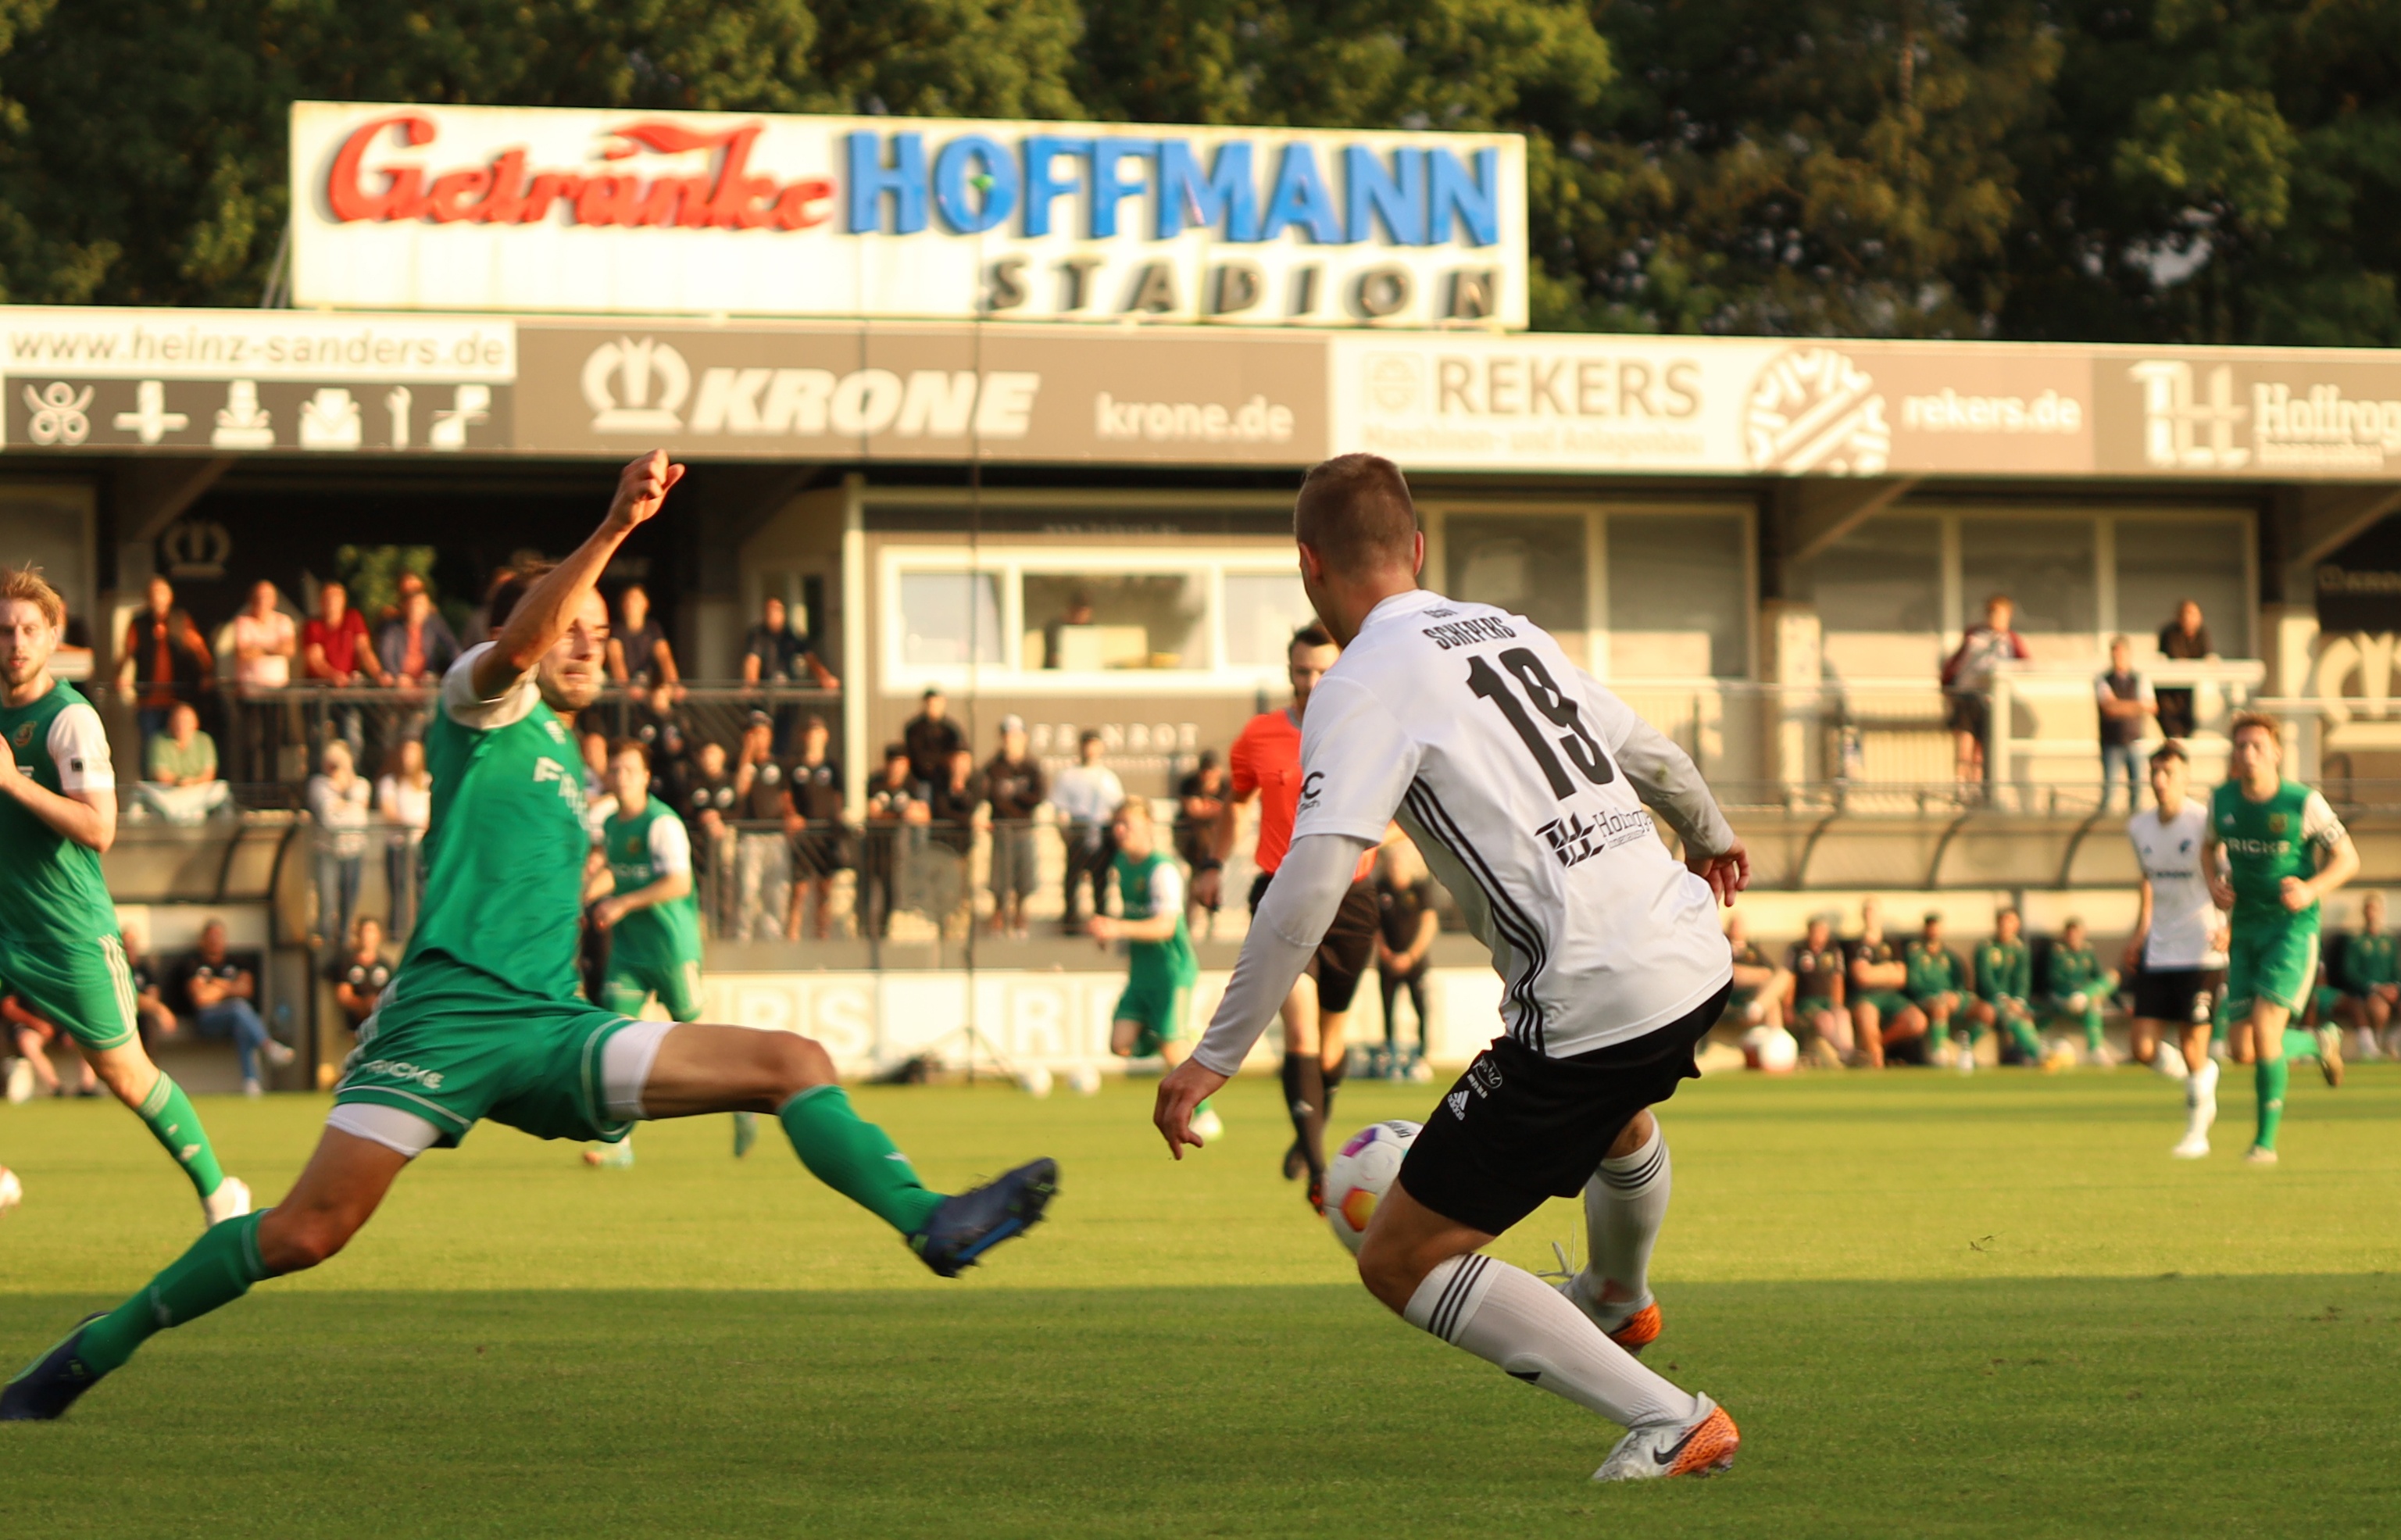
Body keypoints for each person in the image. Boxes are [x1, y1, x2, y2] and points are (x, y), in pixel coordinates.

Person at [1, 452, 1056, 1424]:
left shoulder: (567, 758)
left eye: (600, 629)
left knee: (794, 1061)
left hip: (554, 1029)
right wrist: (614, 526)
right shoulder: (480, 702)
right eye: (575, 625)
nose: (593, 640)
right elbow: (518, 645)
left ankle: (929, 1220)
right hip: (447, 1021)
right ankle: (90, 1351)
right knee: (306, 1232)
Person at [1152, 453, 1748, 1481]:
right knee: (1615, 1111)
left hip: (1594, 992)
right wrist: (1713, 833)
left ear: (1308, 563)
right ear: (1418, 548)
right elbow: (1649, 751)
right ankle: (1617, 1296)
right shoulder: (1510, 632)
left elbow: (1310, 881)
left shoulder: (1360, 682)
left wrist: (1213, 1054)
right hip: (1692, 953)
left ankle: (1669, 1418)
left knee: (1399, 1255)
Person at [0, 565, 249, 1225]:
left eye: (29, 629)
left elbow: (100, 829)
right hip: (3, 919)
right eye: (4, 630)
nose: (16, 642)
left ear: (52, 636)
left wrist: (14, 782)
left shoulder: (70, 719)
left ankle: (220, 1194)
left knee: (125, 1074)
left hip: (65, 929)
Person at [1223, 624, 1385, 1209]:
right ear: (1288, 670)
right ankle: (1320, 1172)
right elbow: (1237, 799)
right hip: (1280, 891)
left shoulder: (1368, 729)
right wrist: (1213, 863)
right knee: (1300, 1028)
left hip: (1351, 897)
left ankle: (1311, 1126)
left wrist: (1361, 840)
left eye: (1322, 670)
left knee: (1332, 1038)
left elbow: (1402, 813)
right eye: (1301, 671)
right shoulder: (1258, 735)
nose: (1311, 682)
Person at [582, 738, 756, 1167]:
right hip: (629, 953)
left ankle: (743, 1099)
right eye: (615, 770)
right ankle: (619, 1146)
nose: (620, 777)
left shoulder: (662, 824)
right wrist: (587, 898)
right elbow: (619, 874)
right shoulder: (612, 824)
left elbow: (678, 883)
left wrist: (623, 904)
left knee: (700, 1045)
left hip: (671, 950)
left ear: (646, 777)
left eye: (628, 769)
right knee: (614, 1042)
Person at [2203, 712, 2361, 1165]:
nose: (2248, 753)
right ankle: (2317, 1041)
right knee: (2242, 1048)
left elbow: (2348, 859)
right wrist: (2214, 883)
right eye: (2241, 746)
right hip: (2246, 929)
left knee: (2266, 1030)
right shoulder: (2222, 801)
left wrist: (2311, 889)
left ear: (2276, 752)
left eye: (2257, 745)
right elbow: (2207, 847)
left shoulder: (2303, 802)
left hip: (2292, 930)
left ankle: (2264, 1145)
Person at [1090, 798, 1220, 1142]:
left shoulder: (1163, 870)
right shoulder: (1121, 863)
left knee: (1170, 1046)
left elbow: (1166, 926)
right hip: (1141, 973)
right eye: (1117, 825)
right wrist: (1110, 934)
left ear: (1148, 827)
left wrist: (1116, 928)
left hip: (1171, 971)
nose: (1120, 832)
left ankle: (1206, 1115)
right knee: (1120, 1044)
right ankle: (1178, 1035)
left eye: (1128, 825)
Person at [2121, 743, 2227, 1149]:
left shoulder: (2204, 824)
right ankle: (2199, 1077)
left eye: (2168, 773)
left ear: (2185, 777)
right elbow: (2148, 882)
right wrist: (2140, 934)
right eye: (2155, 773)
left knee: (2193, 1044)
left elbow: (2228, 879)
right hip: (2160, 949)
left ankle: (2197, 1133)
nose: (2160, 780)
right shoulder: (2139, 827)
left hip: (2202, 949)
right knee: (2143, 1047)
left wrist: (2229, 927)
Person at [170, 919, 295, 1098]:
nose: (215, 940)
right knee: (238, 1008)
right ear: (202, 940)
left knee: (241, 1023)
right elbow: (201, 998)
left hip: (234, 1021)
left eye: (218, 936)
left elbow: (246, 990)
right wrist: (231, 987)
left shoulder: (236, 962)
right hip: (206, 1021)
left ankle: (251, 1083)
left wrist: (216, 985)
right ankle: (269, 1047)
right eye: (211, 936)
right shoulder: (194, 964)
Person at [1940, 594, 2028, 790]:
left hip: (1991, 701)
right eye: (1995, 614)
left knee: (1983, 748)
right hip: (1968, 696)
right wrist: (1947, 687)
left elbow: (2025, 664)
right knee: (1965, 742)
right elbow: (1955, 664)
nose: (1999, 619)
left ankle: (1978, 789)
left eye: (2003, 615)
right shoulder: (1975, 636)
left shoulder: (2011, 640)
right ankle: (1962, 786)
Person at [117, 575, 213, 755]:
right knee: (150, 747)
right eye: (154, 593)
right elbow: (127, 652)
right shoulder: (139, 623)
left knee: (178, 745)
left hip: (177, 696)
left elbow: (199, 650)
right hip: (149, 699)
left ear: (170, 597)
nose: (158, 598)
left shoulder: (180, 620)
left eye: (162, 592)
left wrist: (207, 673)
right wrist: (119, 676)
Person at [1374, 837, 1439, 1080]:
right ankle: (1389, 1056)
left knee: (1420, 1008)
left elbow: (1429, 923)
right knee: (1387, 1010)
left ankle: (1421, 1057)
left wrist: (1411, 956)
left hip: (1415, 963)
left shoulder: (1420, 889)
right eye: (1392, 862)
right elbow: (1374, 925)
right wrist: (1387, 954)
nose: (1395, 867)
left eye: (1399, 863)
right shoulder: (1380, 889)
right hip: (1388, 962)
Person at [782, 715, 849, 944]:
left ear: (825, 736)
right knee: (799, 888)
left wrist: (836, 823)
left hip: (826, 835)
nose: (814, 738)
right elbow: (787, 796)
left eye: (818, 733)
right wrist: (792, 816)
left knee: (824, 888)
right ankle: (792, 934)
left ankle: (822, 934)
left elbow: (838, 798)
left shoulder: (832, 767)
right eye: (810, 733)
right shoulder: (795, 767)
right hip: (804, 835)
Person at [741, 595, 838, 753]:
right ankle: (763, 759)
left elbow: (809, 657)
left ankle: (780, 758)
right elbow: (752, 660)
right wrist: (751, 684)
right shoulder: (758, 635)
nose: (774, 616)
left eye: (777, 611)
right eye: (770, 612)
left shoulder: (790, 635)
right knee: (761, 731)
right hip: (764, 696)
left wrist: (825, 677)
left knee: (784, 735)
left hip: (786, 697)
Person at [1049, 731, 1123, 931]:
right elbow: (1060, 809)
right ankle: (1071, 922)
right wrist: (1064, 832)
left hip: (1101, 832)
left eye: (1094, 745)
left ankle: (1101, 919)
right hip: (1078, 830)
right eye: (1087, 745)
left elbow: (1116, 807)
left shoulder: (1108, 778)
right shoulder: (1068, 776)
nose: (1090, 750)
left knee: (1100, 880)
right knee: (1073, 879)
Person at [981, 716, 1045, 941]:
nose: (1011, 741)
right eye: (1008, 737)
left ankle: (1020, 917)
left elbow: (1037, 796)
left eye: (1016, 737)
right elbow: (994, 798)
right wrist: (1014, 800)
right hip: (1003, 828)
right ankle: (999, 916)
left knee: (1024, 878)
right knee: (1000, 878)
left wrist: (1015, 796)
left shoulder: (1031, 767)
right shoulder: (994, 767)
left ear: (1024, 738)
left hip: (1024, 828)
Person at [729, 713, 791, 942]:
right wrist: (747, 754)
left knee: (775, 892)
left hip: (775, 835)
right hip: (750, 837)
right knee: (748, 890)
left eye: (762, 733)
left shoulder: (778, 765)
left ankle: (773, 939)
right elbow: (740, 790)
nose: (758, 738)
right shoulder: (738, 764)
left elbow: (786, 797)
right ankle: (742, 937)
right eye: (753, 734)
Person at [230, 580, 298, 781]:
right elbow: (243, 652)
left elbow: (289, 650)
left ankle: (271, 787)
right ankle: (251, 788)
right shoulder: (243, 622)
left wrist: (259, 648)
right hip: (251, 693)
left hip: (276, 692)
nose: (262, 601)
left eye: (267, 597)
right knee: (251, 742)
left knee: (273, 743)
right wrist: (274, 647)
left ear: (274, 601)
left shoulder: (283, 621)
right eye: (259, 597)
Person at [307, 739, 372, 949]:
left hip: (354, 850)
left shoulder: (361, 785)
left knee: (349, 899)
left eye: (338, 764)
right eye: (330, 763)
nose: (332, 769)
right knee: (327, 900)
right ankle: (326, 940)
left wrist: (345, 795)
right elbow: (330, 820)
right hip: (328, 851)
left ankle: (344, 940)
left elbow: (360, 820)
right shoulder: (318, 785)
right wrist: (348, 806)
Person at [1845, 898, 1923, 1068]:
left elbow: (1901, 978)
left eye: (1873, 911)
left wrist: (1872, 971)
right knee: (1868, 1023)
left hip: (1891, 996)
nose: (1870, 915)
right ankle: (1875, 1056)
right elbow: (1862, 978)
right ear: (1862, 915)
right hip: (1866, 997)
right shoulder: (1855, 945)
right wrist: (1888, 969)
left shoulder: (1892, 943)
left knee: (1918, 1022)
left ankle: (1876, 1044)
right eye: (1867, 911)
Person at [862, 744, 927, 939]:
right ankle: (871, 931)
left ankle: (889, 929)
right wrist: (899, 816)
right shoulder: (876, 783)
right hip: (876, 848)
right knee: (873, 892)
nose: (897, 768)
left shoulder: (912, 785)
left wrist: (898, 815)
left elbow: (923, 814)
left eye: (901, 763)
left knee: (895, 892)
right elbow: (873, 812)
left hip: (901, 850)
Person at [1969, 909, 2045, 1065]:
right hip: (1991, 1001)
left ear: (2017, 925)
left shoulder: (2020, 949)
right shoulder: (1985, 948)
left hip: (2014, 1004)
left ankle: (2026, 1052)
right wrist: (2004, 1000)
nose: (2006, 926)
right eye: (2003, 921)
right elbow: (1985, 980)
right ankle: (2038, 1053)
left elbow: (2023, 980)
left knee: (2028, 1015)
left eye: (2010, 921)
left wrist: (2018, 1001)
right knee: (2011, 1015)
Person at [138, 701, 232, 823]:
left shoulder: (204, 741)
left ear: (195, 723)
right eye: (178, 721)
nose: (182, 725)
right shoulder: (159, 741)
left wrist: (192, 782)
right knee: (141, 791)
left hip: (198, 790)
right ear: (171, 723)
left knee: (221, 789)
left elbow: (209, 773)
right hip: (170, 791)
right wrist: (179, 782)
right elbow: (159, 773)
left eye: (186, 721)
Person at [375, 739, 432, 941]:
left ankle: (423, 932)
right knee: (398, 890)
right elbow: (388, 811)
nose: (408, 757)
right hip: (398, 845)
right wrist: (408, 824)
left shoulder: (427, 781)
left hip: (420, 845)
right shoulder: (390, 783)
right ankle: (397, 934)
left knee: (422, 888)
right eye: (406, 752)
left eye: (413, 752)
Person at [2042, 917, 2118, 1066]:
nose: (2074, 937)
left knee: (2111, 979)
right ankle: (2095, 1049)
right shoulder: (2058, 953)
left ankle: (2095, 1050)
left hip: (2082, 1001)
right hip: (2062, 999)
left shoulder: (2087, 951)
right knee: (2091, 1001)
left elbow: (2098, 977)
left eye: (2077, 933)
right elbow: (2055, 981)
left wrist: (2119, 1004)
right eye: (2071, 934)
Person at [2333, 891, 2397, 1063]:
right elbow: (2349, 973)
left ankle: (2393, 1041)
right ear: (2364, 912)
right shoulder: (2355, 941)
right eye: (2369, 909)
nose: (2372, 914)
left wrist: (2395, 987)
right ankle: (2376, 1045)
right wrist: (2375, 988)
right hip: (2366, 992)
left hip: (2390, 990)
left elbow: (2396, 970)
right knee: (2379, 1008)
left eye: (2376, 909)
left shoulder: (2389, 940)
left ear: (2382, 912)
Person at [2095, 634, 2156, 811]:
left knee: (2137, 793)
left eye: (2121, 654)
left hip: (2135, 741)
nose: (2118, 658)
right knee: (2109, 792)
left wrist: (2120, 706)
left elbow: (2151, 706)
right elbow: (2109, 708)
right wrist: (2137, 706)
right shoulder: (2103, 679)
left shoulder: (2140, 678)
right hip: (2112, 743)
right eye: (2115, 654)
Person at [1174, 750, 1229, 940]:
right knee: (1195, 883)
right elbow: (1193, 810)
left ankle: (1211, 923)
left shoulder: (1226, 787)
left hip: (1214, 847)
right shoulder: (1190, 784)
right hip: (1193, 845)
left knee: (1211, 883)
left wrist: (1209, 809)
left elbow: (1227, 811)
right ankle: (1189, 925)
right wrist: (1210, 809)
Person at [683, 739, 738, 934]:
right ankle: (700, 925)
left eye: (713, 754)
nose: (709, 759)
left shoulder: (730, 782)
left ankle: (725, 925)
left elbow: (740, 809)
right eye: (705, 755)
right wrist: (702, 817)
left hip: (725, 838)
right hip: (699, 844)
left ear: (723, 757)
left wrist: (720, 817)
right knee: (698, 883)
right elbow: (685, 809)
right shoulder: (694, 784)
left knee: (725, 880)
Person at [1783, 914, 1852, 1064]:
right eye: (1816, 931)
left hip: (1827, 1001)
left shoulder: (1833, 949)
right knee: (1825, 1019)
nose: (1819, 935)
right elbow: (1790, 980)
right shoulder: (1798, 949)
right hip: (1806, 1003)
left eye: (1822, 931)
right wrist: (1787, 1007)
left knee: (1842, 1015)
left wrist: (1837, 1005)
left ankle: (1848, 1052)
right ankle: (1844, 1054)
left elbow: (1837, 979)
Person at [1903, 913, 1967, 1065]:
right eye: (1930, 927)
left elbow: (1960, 982)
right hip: (1924, 999)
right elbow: (1913, 983)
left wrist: (1956, 995)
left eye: (1936, 927)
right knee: (1940, 1007)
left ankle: (1964, 1049)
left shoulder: (1949, 956)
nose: (1933, 931)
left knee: (1985, 1012)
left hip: (1950, 998)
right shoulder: (1915, 954)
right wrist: (1934, 995)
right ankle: (1939, 1053)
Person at [376, 573, 462, 688]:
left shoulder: (434, 622)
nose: (417, 608)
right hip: (401, 682)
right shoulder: (393, 626)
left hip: (426, 680)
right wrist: (398, 676)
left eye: (421, 604)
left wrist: (461, 669)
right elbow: (386, 654)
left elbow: (452, 647)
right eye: (415, 604)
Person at [302, 581, 384, 688]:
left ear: (344, 600)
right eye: (328, 597)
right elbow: (316, 660)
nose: (332, 601)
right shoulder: (313, 626)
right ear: (321, 601)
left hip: (349, 684)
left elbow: (364, 650)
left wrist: (378, 674)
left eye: (336, 597)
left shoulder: (354, 619)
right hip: (322, 687)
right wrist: (333, 676)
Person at [1718, 912, 1785, 1036]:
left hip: (1752, 990)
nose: (1737, 929)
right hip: (1731, 989)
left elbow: (1769, 970)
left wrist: (1759, 975)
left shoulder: (1751, 948)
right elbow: (1724, 969)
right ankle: (1757, 1011)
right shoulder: (1722, 944)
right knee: (1735, 973)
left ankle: (1760, 1012)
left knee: (1781, 979)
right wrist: (1756, 974)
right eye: (1734, 926)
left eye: (1740, 926)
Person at [2155, 599, 2213, 741]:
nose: (2189, 618)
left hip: (2192, 689)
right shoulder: (2169, 633)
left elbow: (2208, 656)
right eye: (2186, 614)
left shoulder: (2202, 634)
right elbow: (2173, 657)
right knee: (2170, 718)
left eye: (2193, 614)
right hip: (2170, 689)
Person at [330, 916, 391, 1037]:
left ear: (378, 936)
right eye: (363, 931)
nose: (366, 935)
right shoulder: (347, 964)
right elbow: (343, 996)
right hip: (354, 1032)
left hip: (380, 1031)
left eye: (370, 931)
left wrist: (377, 1004)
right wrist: (364, 1005)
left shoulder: (385, 966)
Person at [902, 687, 966, 796]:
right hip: (920, 778)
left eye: (936, 703)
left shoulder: (951, 730)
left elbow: (958, 753)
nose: (933, 707)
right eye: (930, 704)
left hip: (945, 778)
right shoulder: (914, 729)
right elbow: (914, 754)